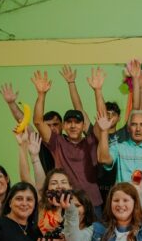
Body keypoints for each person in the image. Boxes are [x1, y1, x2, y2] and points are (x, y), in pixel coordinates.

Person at [31, 69, 104, 210]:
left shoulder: (91, 140)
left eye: (77, 122)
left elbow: (102, 118)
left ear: (83, 125)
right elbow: (38, 121)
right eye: (69, 122)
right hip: (65, 202)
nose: (73, 126)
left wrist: (98, 91)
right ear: (64, 126)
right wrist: (41, 95)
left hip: (93, 203)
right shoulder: (57, 142)